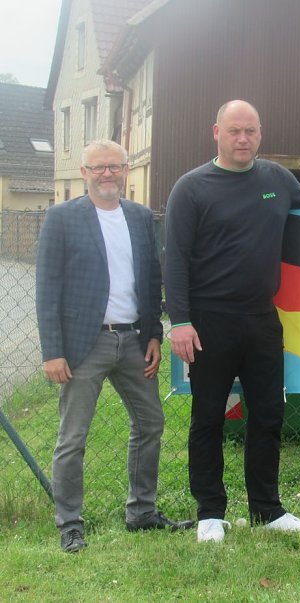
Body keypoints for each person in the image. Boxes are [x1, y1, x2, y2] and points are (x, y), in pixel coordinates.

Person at [165, 100, 300, 543]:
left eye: (250, 131)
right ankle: (210, 513)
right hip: (209, 323)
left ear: (260, 134)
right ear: (216, 133)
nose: (243, 139)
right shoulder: (190, 188)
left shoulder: (276, 179)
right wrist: (180, 320)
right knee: (208, 417)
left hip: (263, 320)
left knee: (268, 415)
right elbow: (175, 259)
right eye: (234, 131)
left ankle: (268, 509)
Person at [36, 140, 193, 553]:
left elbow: (151, 278)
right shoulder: (61, 218)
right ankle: (70, 524)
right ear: (84, 171)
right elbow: (47, 288)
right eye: (99, 167)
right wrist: (52, 351)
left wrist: (154, 334)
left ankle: (141, 512)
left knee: (150, 424)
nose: (108, 174)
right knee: (73, 437)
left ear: (126, 170)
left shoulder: (141, 218)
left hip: (133, 341)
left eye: (115, 167)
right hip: (83, 345)